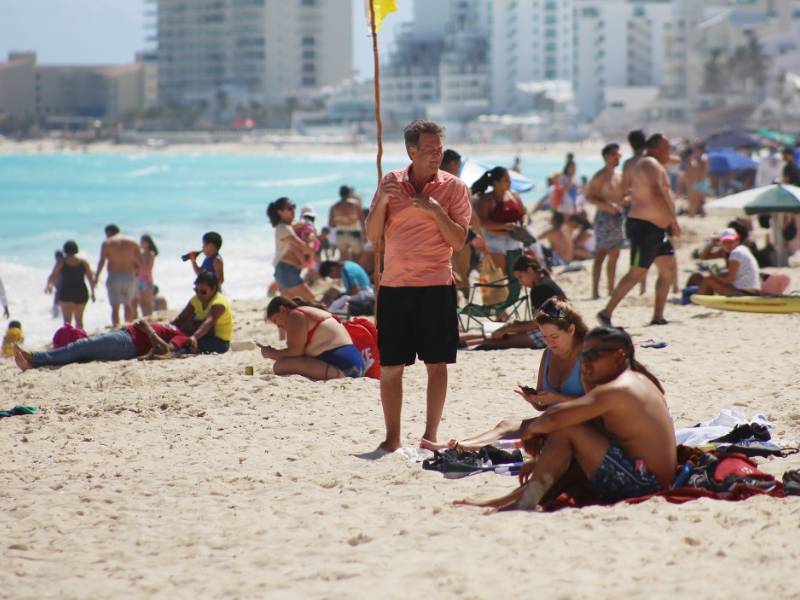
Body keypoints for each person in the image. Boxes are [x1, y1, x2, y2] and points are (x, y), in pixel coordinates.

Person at [455, 326, 674, 511]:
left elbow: (554, 418)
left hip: (645, 482)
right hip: (647, 475)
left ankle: (523, 501)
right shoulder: (635, 379)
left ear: (618, 356)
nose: (586, 363)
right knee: (572, 431)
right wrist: (544, 460)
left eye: (593, 356)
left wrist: (531, 433)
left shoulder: (619, 388)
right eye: (583, 356)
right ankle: (512, 499)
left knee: (568, 429)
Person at [365, 119, 472, 452]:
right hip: (395, 286)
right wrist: (383, 201)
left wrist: (436, 210)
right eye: (429, 150)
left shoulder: (454, 188)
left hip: (436, 285)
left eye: (439, 149)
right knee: (391, 366)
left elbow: (458, 241)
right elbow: (372, 235)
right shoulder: (391, 181)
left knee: (436, 364)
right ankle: (392, 438)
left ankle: (430, 435)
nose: (436, 155)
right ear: (412, 152)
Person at [428, 298, 587, 452]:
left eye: (554, 337)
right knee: (506, 425)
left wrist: (556, 398)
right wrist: (534, 399)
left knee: (533, 432)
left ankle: (466, 448)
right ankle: (461, 445)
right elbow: (543, 406)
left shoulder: (587, 356)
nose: (550, 343)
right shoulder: (548, 355)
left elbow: (596, 403)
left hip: (581, 424)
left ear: (571, 330)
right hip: (551, 419)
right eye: (544, 337)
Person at [598, 134, 680, 327]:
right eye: (667, 147)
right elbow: (657, 191)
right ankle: (606, 313)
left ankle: (658, 315)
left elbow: (628, 187)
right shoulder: (649, 163)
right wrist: (673, 219)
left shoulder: (651, 164)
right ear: (656, 148)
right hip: (644, 227)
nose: (669, 151)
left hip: (657, 228)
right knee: (637, 273)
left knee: (668, 268)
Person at [460, 255, 566, 350]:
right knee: (495, 333)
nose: (520, 282)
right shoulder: (543, 283)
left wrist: (508, 328)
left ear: (530, 270)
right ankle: (458, 341)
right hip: (555, 327)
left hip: (555, 331)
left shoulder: (540, 288)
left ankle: (461, 344)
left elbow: (537, 323)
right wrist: (511, 327)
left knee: (501, 339)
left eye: (520, 277)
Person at [13, 319, 186, 371]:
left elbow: (166, 350)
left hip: (128, 343)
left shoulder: (182, 336)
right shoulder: (174, 325)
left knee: (81, 347)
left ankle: (35, 358)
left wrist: (149, 330)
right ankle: (34, 363)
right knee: (81, 351)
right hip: (125, 336)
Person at [261, 296, 365, 380]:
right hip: (356, 365)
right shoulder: (306, 311)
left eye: (276, 321)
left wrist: (270, 353)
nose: (278, 326)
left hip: (344, 367)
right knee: (284, 363)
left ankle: (336, 375)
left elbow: (295, 352)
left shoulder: (295, 315)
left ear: (282, 309)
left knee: (280, 365)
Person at [586, 143, 625, 299]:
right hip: (604, 217)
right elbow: (589, 197)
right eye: (615, 154)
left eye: (619, 154)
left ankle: (611, 289)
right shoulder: (600, 176)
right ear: (607, 157)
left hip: (617, 218)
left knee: (615, 255)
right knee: (600, 255)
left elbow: (624, 194)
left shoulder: (619, 175)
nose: (618, 157)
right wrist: (607, 206)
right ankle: (595, 291)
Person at [473, 166, 527, 278]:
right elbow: (483, 223)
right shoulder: (486, 199)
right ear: (495, 182)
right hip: (494, 242)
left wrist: (524, 224)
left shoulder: (515, 196)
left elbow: (524, 213)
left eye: (510, 179)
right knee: (498, 279)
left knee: (516, 279)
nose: (510, 182)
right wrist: (505, 226)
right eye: (506, 180)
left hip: (515, 241)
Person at [267, 197, 317, 303]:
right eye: (289, 208)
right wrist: (312, 251)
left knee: (293, 306)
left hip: (286, 271)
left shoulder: (286, 226)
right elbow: (301, 246)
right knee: (311, 300)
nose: (293, 210)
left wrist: (306, 225)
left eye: (294, 207)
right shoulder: (283, 228)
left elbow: (296, 224)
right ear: (280, 212)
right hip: (286, 271)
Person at [171, 271, 233, 354]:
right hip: (202, 336)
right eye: (196, 290)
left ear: (213, 289)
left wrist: (194, 337)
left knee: (185, 344)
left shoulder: (219, 303)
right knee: (177, 338)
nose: (199, 294)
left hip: (219, 342)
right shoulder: (196, 299)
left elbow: (209, 323)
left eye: (203, 292)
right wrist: (167, 329)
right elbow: (181, 318)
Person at [95, 224, 142, 327]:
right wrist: (137, 271)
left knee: (115, 307)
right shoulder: (132, 241)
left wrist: (96, 277)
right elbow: (140, 261)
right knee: (128, 304)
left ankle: (116, 328)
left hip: (114, 276)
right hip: (129, 275)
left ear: (108, 232)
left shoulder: (107, 243)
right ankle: (129, 328)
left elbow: (101, 262)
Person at [46, 240, 95, 329]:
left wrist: (49, 286)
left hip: (66, 292)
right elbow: (90, 278)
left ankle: (69, 338)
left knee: (67, 323)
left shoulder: (61, 262)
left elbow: (53, 275)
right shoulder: (83, 262)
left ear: (65, 250)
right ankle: (80, 337)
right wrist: (93, 293)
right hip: (81, 292)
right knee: (79, 321)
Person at [697, 228, 760, 296]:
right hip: (750, 290)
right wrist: (712, 243)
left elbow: (728, 280)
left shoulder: (736, 253)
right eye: (725, 242)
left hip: (745, 292)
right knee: (720, 275)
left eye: (731, 242)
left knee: (708, 280)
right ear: (721, 243)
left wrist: (713, 274)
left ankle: (700, 301)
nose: (728, 245)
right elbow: (703, 257)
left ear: (737, 241)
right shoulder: (742, 249)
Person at [328, 185, 364, 261]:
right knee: (356, 259)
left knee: (343, 259)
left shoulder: (334, 207)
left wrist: (332, 241)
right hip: (354, 233)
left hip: (340, 233)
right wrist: (365, 236)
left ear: (340, 194)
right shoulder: (356, 204)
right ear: (349, 193)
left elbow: (331, 224)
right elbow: (362, 221)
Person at [683, 143, 709, 217]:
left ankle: (694, 214)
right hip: (700, 180)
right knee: (698, 199)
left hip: (700, 181)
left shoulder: (703, 157)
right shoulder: (701, 157)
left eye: (696, 148)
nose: (695, 150)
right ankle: (696, 214)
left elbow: (703, 170)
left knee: (696, 199)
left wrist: (699, 179)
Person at [137, 234, 158, 317]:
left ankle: (149, 320)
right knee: (141, 304)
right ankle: (145, 319)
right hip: (139, 280)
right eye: (140, 242)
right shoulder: (140, 254)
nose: (140, 244)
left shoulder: (150, 254)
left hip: (147, 280)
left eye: (142, 242)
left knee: (148, 304)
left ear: (148, 243)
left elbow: (148, 268)